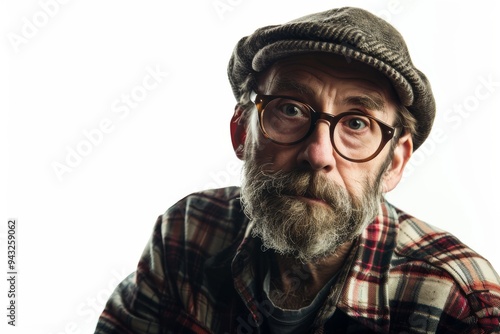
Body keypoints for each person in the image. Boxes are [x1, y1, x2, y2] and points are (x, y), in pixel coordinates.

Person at [95, 7, 500, 333]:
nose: (318, 153)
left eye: (357, 122)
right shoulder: (186, 232)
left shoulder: (460, 303)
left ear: (394, 163)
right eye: (290, 109)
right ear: (241, 131)